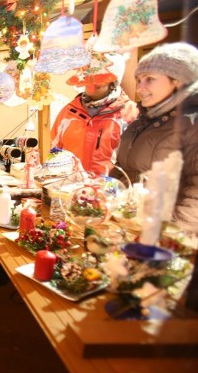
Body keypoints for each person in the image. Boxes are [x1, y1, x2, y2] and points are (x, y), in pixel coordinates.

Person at [110, 42, 198, 233]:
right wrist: (105, 196)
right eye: (139, 80)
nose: (141, 87)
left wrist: (168, 235)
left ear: (179, 81)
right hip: (130, 228)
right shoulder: (140, 123)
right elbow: (122, 171)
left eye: (150, 79)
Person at [51, 52, 138, 176]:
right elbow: (54, 152)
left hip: (110, 190)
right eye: (89, 76)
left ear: (113, 81)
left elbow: (135, 163)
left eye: (99, 77)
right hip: (71, 188)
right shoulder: (69, 112)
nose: (92, 82)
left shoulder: (130, 114)